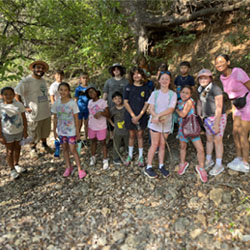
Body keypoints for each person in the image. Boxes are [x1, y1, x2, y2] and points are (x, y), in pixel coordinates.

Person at [215, 54, 250, 173]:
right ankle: (239, 157)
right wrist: (234, 109)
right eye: (217, 63)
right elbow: (230, 96)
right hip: (236, 105)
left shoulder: (238, 72)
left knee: (243, 133)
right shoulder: (221, 77)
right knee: (235, 133)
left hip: (248, 103)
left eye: (221, 61)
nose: (219, 64)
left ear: (228, 62)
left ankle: (245, 163)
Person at [15, 60, 52, 158]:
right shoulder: (26, 81)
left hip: (45, 111)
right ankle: (33, 149)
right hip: (33, 114)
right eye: (38, 68)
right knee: (33, 133)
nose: (40, 70)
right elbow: (16, 94)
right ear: (33, 69)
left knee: (45, 131)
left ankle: (44, 145)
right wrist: (23, 107)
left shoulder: (43, 80)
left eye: (42, 68)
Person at [144, 71, 177, 178]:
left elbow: (171, 109)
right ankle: (148, 166)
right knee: (154, 144)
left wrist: (160, 116)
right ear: (159, 80)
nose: (164, 81)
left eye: (167, 79)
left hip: (166, 123)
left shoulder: (173, 94)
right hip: (154, 123)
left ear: (170, 81)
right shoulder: (155, 93)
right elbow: (151, 108)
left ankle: (161, 165)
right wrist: (156, 116)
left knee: (162, 144)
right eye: (162, 78)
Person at [51, 82, 86, 179]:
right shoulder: (56, 103)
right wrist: (54, 131)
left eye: (65, 90)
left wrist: (78, 132)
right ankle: (68, 167)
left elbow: (76, 118)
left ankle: (79, 169)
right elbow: (55, 118)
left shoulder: (72, 103)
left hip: (71, 131)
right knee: (64, 149)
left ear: (68, 91)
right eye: (61, 90)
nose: (63, 92)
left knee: (72, 149)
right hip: (61, 131)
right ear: (58, 91)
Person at [197, 69, 227, 176]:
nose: (203, 80)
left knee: (217, 140)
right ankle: (209, 160)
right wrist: (199, 115)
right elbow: (199, 103)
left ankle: (219, 164)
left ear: (210, 78)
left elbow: (219, 107)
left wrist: (216, 123)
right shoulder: (200, 89)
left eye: (205, 77)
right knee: (209, 139)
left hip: (217, 117)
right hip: (206, 118)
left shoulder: (215, 89)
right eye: (201, 78)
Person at [176, 86, 207, 183]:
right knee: (182, 146)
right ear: (180, 92)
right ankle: (182, 163)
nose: (184, 94)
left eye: (187, 93)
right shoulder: (179, 102)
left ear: (190, 95)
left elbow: (183, 114)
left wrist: (175, 109)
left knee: (200, 149)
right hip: (182, 128)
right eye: (183, 92)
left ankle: (201, 167)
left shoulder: (190, 101)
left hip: (192, 127)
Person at [124, 67, 150, 167]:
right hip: (130, 115)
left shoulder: (145, 88)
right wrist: (133, 116)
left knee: (140, 135)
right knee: (131, 135)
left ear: (142, 75)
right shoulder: (128, 87)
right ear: (131, 76)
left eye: (138, 73)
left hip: (141, 116)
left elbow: (146, 103)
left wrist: (139, 116)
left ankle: (140, 156)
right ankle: (130, 155)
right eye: (134, 74)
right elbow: (125, 102)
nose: (136, 76)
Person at [0, 87, 28, 179]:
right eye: (6, 94)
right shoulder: (1, 107)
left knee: (17, 148)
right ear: (1, 96)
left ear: (14, 95)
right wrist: (0, 136)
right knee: (10, 151)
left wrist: (25, 131)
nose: (8, 96)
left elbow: (24, 118)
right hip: (7, 133)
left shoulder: (19, 105)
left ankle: (16, 164)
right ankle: (12, 169)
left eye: (10, 94)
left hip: (18, 131)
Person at [86, 84, 110, 169]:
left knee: (103, 143)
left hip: (101, 126)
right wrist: (86, 126)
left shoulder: (102, 102)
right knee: (93, 142)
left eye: (92, 91)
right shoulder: (89, 102)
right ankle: (93, 157)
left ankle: (105, 159)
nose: (91, 93)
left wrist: (101, 113)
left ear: (97, 92)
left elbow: (108, 114)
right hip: (92, 126)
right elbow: (89, 115)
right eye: (89, 92)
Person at [109, 91, 128, 165]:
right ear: (113, 100)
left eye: (119, 98)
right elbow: (108, 117)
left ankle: (128, 155)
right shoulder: (113, 109)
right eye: (115, 98)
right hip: (117, 130)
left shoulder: (126, 108)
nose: (118, 100)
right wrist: (112, 124)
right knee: (116, 144)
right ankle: (116, 158)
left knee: (128, 142)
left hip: (126, 129)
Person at [74, 72, 90, 142]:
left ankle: (86, 138)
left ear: (88, 79)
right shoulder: (78, 89)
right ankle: (78, 138)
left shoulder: (90, 88)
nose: (85, 80)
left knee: (86, 124)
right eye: (83, 78)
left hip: (88, 109)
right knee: (79, 124)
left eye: (86, 78)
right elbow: (76, 98)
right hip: (80, 108)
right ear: (80, 79)